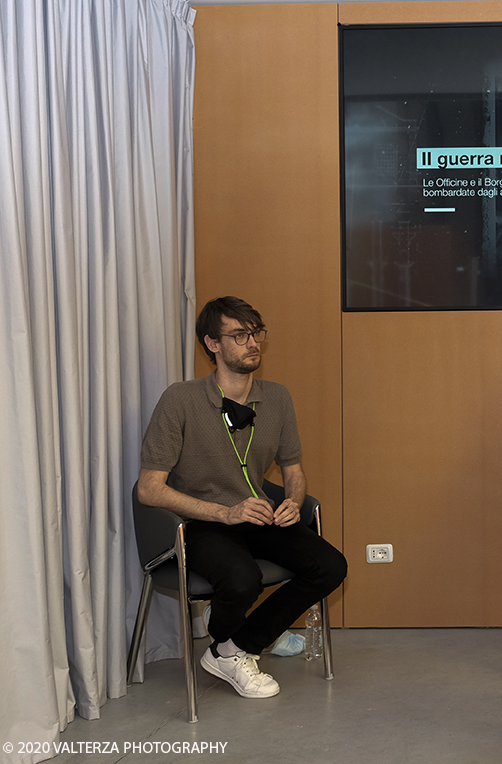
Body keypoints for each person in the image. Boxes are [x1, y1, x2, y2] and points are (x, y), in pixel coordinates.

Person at [137, 296, 348, 699]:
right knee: (242, 578)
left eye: (255, 334)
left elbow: (294, 471)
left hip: (257, 514)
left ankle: (234, 645)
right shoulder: (180, 400)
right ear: (212, 344)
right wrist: (225, 512)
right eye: (239, 335)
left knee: (330, 566)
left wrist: (292, 502)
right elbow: (149, 489)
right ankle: (238, 635)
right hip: (199, 522)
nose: (252, 343)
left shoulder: (277, 397)